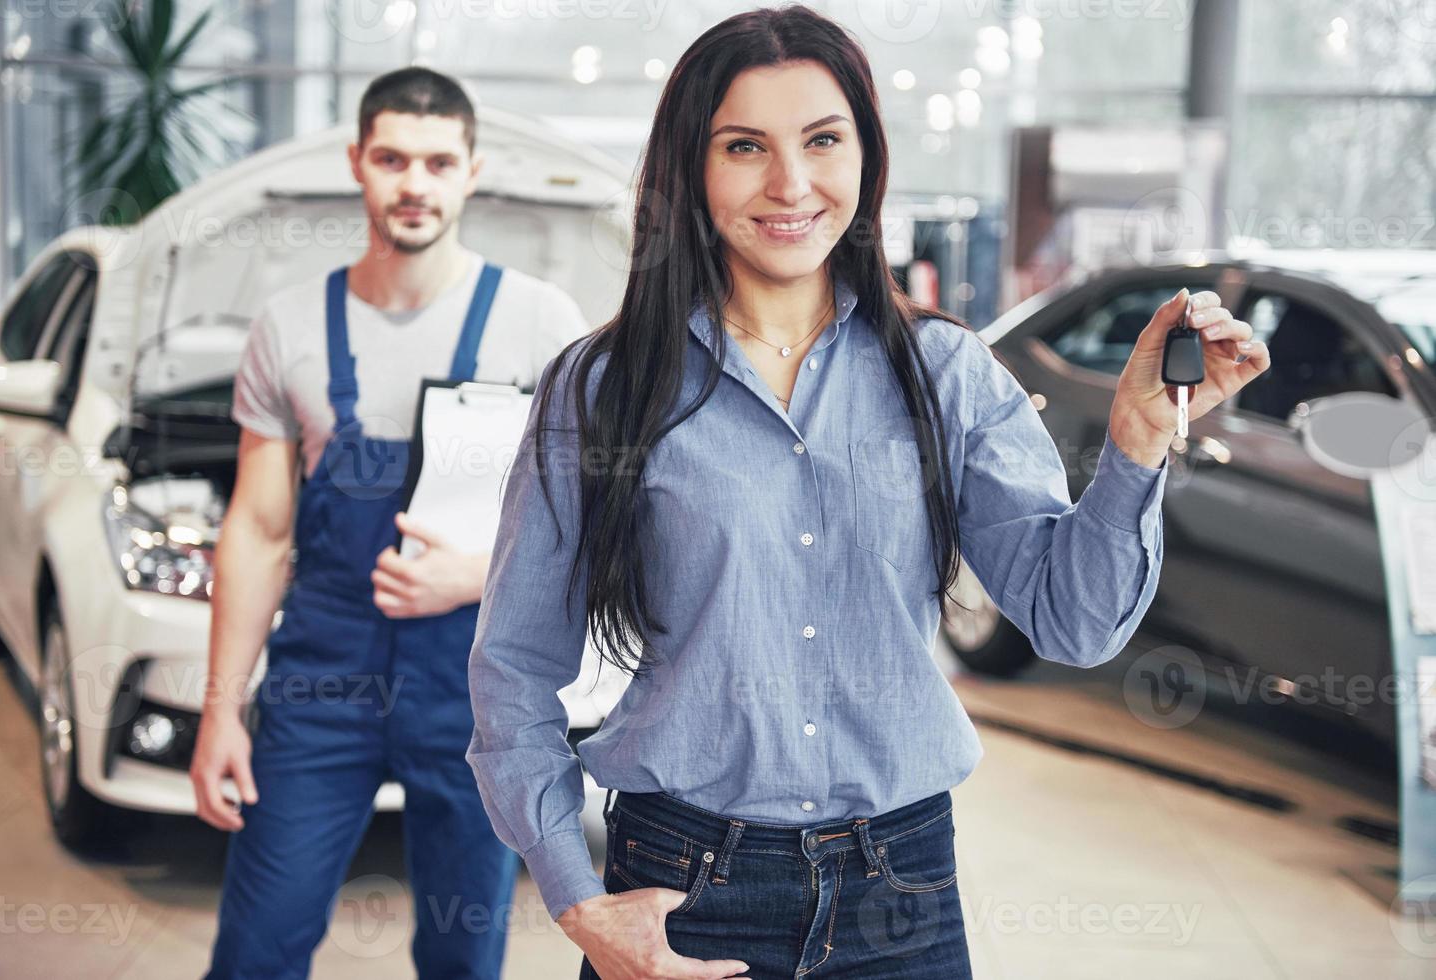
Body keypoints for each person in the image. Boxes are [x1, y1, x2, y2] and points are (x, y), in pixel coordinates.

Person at [466, 7, 1271, 980]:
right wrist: (576, 895)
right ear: (688, 166)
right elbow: (511, 667)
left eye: (821, 139)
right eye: (742, 145)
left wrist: (1137, 440)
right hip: (680, 885)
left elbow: (1071, 623)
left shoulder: (945, 374)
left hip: (901, 888)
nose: (789, 183)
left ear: (865, 156)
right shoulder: (601, 387)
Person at [191, 67, 592, 978]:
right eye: (392, 158)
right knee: (258, 941)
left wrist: (480, 571)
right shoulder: (289, 325)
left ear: (471, 172)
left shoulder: (539, 323)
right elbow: (256, 529)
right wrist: (221, 710)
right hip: (319, 680)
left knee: (462, 950)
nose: (415, 182)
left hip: (471, 687)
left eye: (438, 161)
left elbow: (587, 520)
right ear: (358, 165)